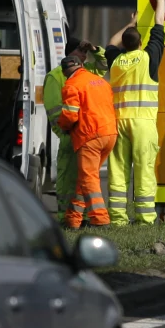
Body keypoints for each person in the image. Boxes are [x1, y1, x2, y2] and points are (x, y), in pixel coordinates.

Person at [100, 0, 165, 226]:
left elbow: (111, 42)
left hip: (118, 122)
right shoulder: (148, 58)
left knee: (118, 171)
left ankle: (118, 218)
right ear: (141, 42)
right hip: (143, 123)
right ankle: (145, 217)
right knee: (144, 169)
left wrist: (131, 23)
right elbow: (159, 23)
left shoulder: (116, 61)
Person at [42, 36, 108, 223]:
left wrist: (95, 49)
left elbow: (104, 64)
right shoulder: (56, 76)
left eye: (86, 52)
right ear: (70, 52)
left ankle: (83, 216)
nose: (84, 55)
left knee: (85, 178)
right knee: (68, 178)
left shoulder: (86, 71)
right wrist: (65, 134)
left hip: (87, 136)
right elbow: (54, 110)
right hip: (70, 135)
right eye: (81, 51)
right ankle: (65, 215)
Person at [57, 55, 118, 229]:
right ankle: (73, 219)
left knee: (89, 178)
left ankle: (100, 219)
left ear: (64, 72)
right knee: (86, 177)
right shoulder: (100, 81)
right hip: (109, 133)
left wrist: (63, 126)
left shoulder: (71, 85)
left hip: (90, 136)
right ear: (81, 65)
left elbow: (70, 115)